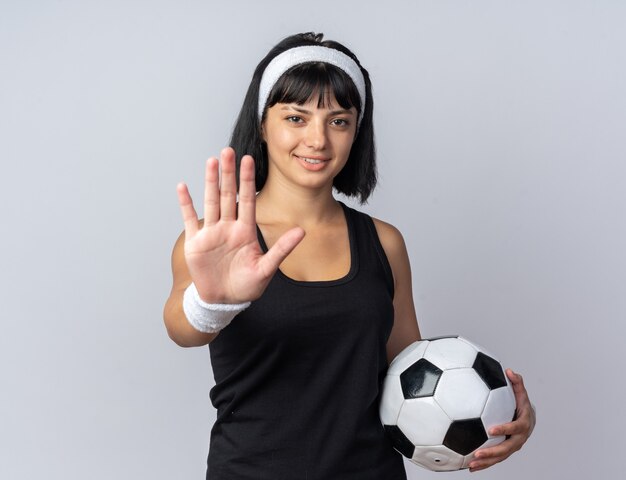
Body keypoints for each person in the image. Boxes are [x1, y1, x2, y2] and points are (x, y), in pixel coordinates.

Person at [163, 32, 535, 479]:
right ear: (262, 124)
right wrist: (212, 303)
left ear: (357, 130)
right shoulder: (216, 241)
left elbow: (411, 375)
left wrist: (498, 419)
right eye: (296, 118)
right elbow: (182, 328)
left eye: (338, 120)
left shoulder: (384, 242)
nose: (317, 139)